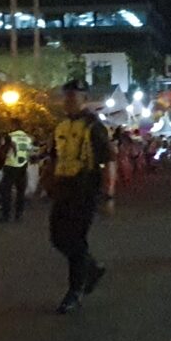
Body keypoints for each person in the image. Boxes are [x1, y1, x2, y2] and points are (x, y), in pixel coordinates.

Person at [49, 81, 115, 314]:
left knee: (76, 239)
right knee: (57, 237)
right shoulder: (62, 126)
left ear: (84, 99)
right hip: (63, 188)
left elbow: (109, 160)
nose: (68, 101)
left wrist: (108, 196)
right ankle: (92, 268)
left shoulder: (94, 127)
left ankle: (75, 292)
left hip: (84, 189)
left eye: (73, 97)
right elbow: (55, 157)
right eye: (66, 97)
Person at [1, 126, 34, 222]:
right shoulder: (28, 138)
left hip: (10, 165)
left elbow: (4, 149)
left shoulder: (10, 136)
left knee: (6, 190)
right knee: (20, 191)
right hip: (22, 165)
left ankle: (6, 214)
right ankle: (19, 214)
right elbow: (30, 152)